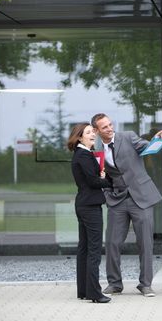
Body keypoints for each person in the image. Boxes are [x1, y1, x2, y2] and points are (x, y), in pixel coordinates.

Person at [91, 113, 162, 297]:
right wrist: (108, 194)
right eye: (104, 127)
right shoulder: (96, 149)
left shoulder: (128, 136)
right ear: (97, 131)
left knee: (145, 243)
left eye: (110, 124)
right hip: (118, 199)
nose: (109, 128)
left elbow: (147, 148)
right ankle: (115, 283)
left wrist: (156, 140)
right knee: (112, 242)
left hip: (141, 197)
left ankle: (145, 284)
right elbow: (102, 176)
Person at [67, 123, 112, 303]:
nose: (93, 134)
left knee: (84, 249)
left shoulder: (81, 154)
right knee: (93, 250)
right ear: (79, 137)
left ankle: (84, 291)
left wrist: (99, 176)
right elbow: (93, 182)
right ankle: (94, 293)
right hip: (90, 207)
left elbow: (90, 179)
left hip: (83, 204)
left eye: (93, 132)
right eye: (88, 132)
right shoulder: (84, 155)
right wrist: (107, 180)